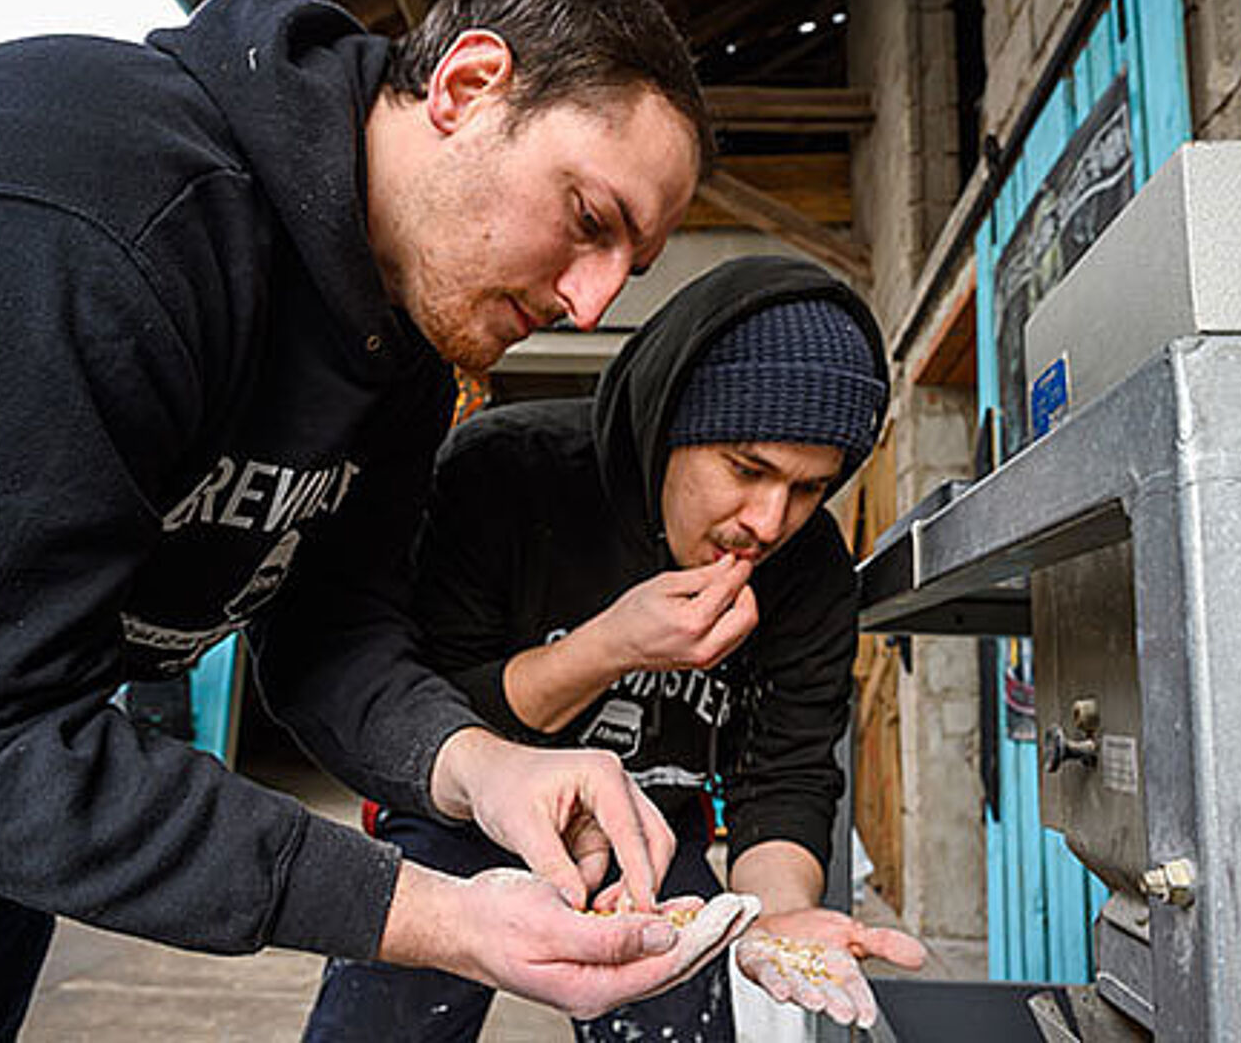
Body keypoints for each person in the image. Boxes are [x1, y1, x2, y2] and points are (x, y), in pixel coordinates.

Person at [0, 0, 742, 1036]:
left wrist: (481, 763)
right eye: (588, 220)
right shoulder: (82, 206)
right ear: (469, 88)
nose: (594, 301)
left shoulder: (404, 348)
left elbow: (331, 628)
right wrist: (433, 914)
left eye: (630, 264)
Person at [304, 256, 928, 1042]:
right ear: (670, 426)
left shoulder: (809, 572)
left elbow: (785, 778)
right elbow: (426, 711)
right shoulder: (506, 473)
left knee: (680, 1022)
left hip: (653, 836)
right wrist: (614, 646)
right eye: (747, 469)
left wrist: (782, 912)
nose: (769, 521)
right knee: (386, 1024)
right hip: (461, 818)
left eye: (809, 489)